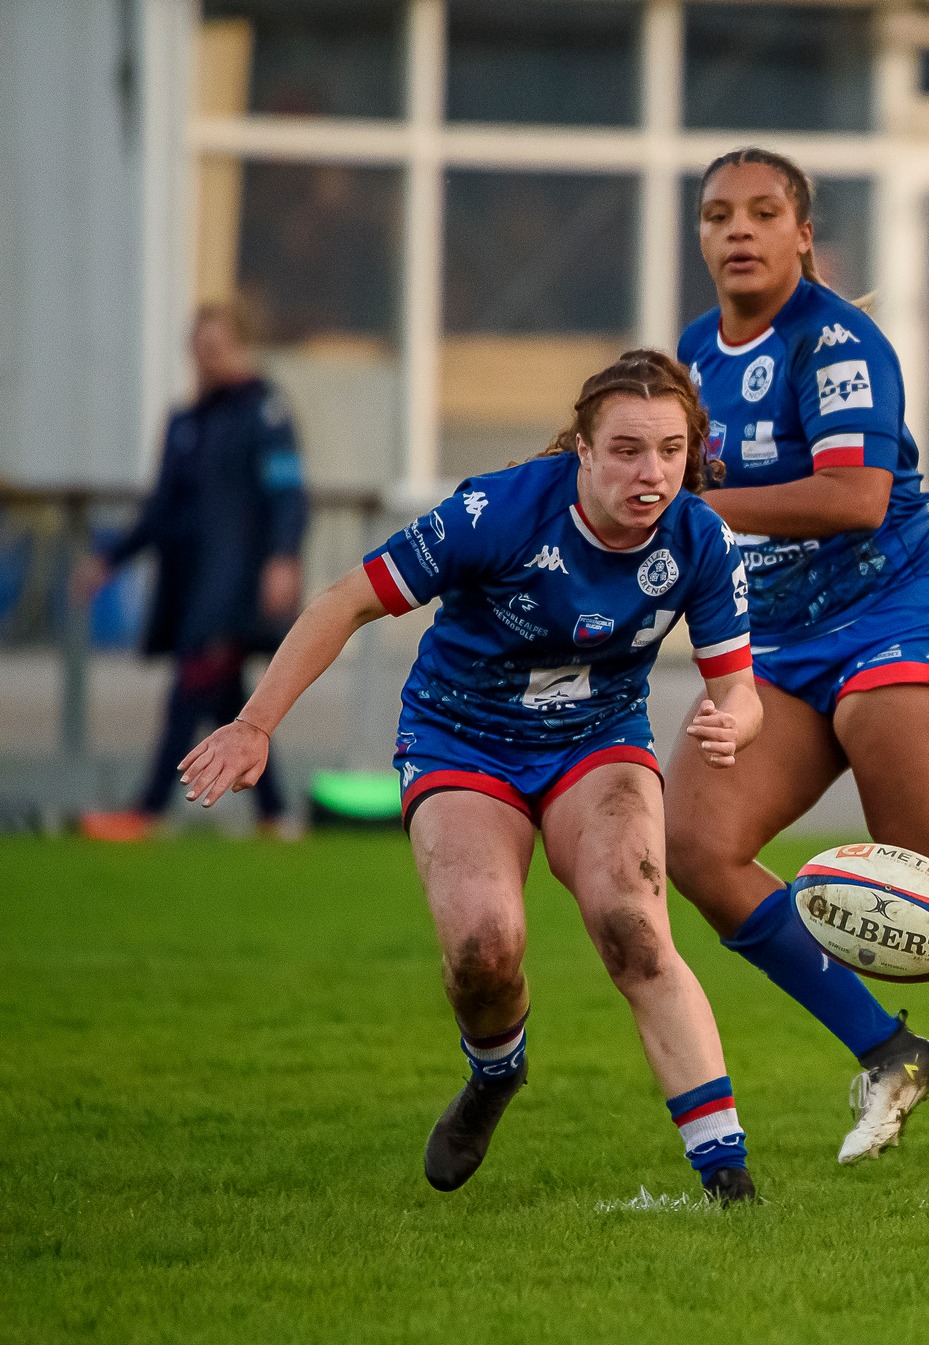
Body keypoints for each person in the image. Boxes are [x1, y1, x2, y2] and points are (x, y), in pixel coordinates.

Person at [178, 351, 765, 1203]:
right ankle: (495, 1071)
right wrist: (255, 722)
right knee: (485, 950)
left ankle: (728, 1176)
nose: (654, 473)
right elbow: (347, 598)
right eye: (630, 449)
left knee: (633, 924)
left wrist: (731, 721)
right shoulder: (497, 511)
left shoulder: (698, 537)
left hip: (596, 740)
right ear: (584, 451)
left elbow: (739, 689)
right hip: (463, 737)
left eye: (672, 451)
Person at [666, 147, 929, 1165]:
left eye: (764, 211)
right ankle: (888, 1050)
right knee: (694, 844)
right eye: (719, 213)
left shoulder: (840, 341)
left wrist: (690, 506)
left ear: (803, 234)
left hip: (897, 614)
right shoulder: (693, 353)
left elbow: (853, 495)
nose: (740, 230)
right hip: (781, 642)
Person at [76, 303, 308, 841]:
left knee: (191, 687)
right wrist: (110, 559)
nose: (207, 359)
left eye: (217, 347)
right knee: (228, 698)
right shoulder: (186, 424)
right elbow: (159, 511)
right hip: (191, 585)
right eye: (199, 348)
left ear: (240, 348)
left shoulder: (266, 412)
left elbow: (288, 493)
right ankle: (277, 815)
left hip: (238, 583)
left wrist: (283, 556)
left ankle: (148, 809)